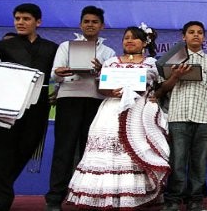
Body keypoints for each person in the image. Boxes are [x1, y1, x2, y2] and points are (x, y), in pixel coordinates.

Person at [66, 26, 170, 209]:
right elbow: (101, 87)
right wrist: (111, 92)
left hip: (139, 110)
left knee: (135, 148)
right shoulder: (112, 62)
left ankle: (133, 195)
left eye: (134, 38)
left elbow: (159, 88)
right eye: (126, 38)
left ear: (145, 42)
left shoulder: (152, 63)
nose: (129, 41)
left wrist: (156, 94)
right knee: (108, 147)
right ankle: (104, 194)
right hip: (111, 109)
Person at [44, 6, 116, 211]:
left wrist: (102, 71)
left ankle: (88, 197)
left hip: (96, 101)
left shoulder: (108, 52)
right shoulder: (66, 46)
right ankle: (54, 198)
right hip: (69, 99)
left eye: (94, 22)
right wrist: (62, 71)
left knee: (90, 151)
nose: (90, 25)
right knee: (63, 150)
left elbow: (110, 82)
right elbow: (54, 75)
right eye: (86, 21)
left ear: (101, 26)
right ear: (80, 24)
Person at [0, 3, 58, 211]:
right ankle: (0, 197)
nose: (20, 22)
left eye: (26, 19)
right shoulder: (2, 46)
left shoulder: (51, 48)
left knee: (27, 148)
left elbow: (58, 75)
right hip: (6, 107)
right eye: (17, 19)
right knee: (0, 152)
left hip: (37, 108)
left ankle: (3, 188)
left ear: (38, 22)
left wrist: (58, 90)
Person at [160, 21, 207, 211]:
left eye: (200, 32)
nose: (196, 35)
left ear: (204, 37)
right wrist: (175, 76)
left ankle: (195, 201)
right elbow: (161, 89)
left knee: (199, 163)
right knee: (177, 161)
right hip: (178, 115)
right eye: (191, 32)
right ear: (183, 37)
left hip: (206, 117)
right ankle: (173, 200)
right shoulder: (173, 59)